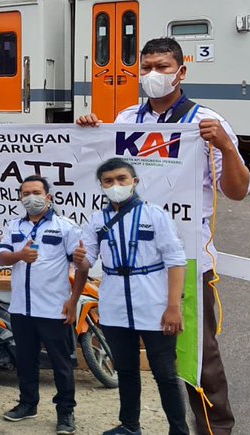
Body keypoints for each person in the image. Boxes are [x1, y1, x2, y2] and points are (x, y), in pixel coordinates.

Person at [77, 36, 250, 434]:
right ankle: (132, 424)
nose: (154, 75)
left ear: (181, 72)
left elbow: (238, 191)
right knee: (131, 354)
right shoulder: (125, 121)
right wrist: (89, 132)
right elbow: (99, 170)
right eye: (147, 67)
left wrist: (226, 147)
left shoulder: (207, 123)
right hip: (126, 264)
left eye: (163, 67)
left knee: (195, 355)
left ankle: (213, 429)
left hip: (184, 259)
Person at [73, 158, 188, 435]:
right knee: (125, 370)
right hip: (115, 307)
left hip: (155, 305)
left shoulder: (155, 215)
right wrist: (80, 260)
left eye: (122, 179)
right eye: (108, 181)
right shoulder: (97, 221)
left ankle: (179, 430)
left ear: (134, 182)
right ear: (101, 185)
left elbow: (175, 260)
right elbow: (87, 260)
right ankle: (130, 426)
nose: (116, 185)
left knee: (165, 374)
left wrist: (174, 306)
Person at [0, 176, 88, 435]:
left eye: (36, 192)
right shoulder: (14, 226)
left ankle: (66, 411)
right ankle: (28, 404)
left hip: (53, 308)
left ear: (48, 197)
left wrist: (73, 301)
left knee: (62, 363)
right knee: (25, 360)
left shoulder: (66, 226)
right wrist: (19, 256)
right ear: (20, 198)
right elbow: (1, 257)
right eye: (26, 193)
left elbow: (82, 266)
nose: (31, 197)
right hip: (21, 308)